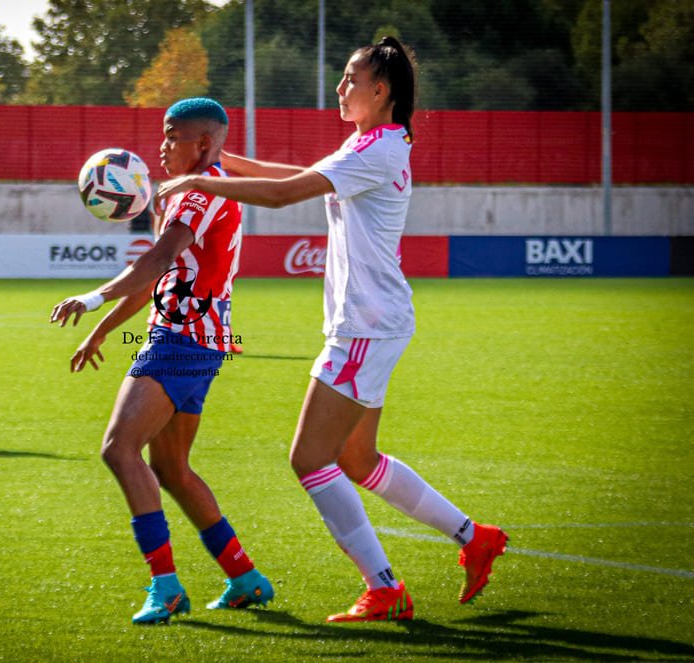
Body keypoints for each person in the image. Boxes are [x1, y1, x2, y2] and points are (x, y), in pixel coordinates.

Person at [156, 38, 507, 622]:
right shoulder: (372, 142)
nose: (340, 88)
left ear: (381, 90)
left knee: (309, 457)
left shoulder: (379, 148)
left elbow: (284, 194)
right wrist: (223, 163)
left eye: (350, 79)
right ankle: (475, 538)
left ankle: (384, 587)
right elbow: (298, 176)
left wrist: (200, 182)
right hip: (374, 322)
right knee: (358, 459)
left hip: (364, 327)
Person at [50, 98, 273, 625]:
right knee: (170, 468)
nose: (162, 146)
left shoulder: (202, 191)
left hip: (181, 343)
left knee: (118, 449)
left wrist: (94, 298)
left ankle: (166, 587)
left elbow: (157, 259)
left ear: (203, 143)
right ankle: (244, 577)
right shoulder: (188, 193)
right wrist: (103, 330)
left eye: (173, 136)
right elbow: (158, 275)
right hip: (196, 343)